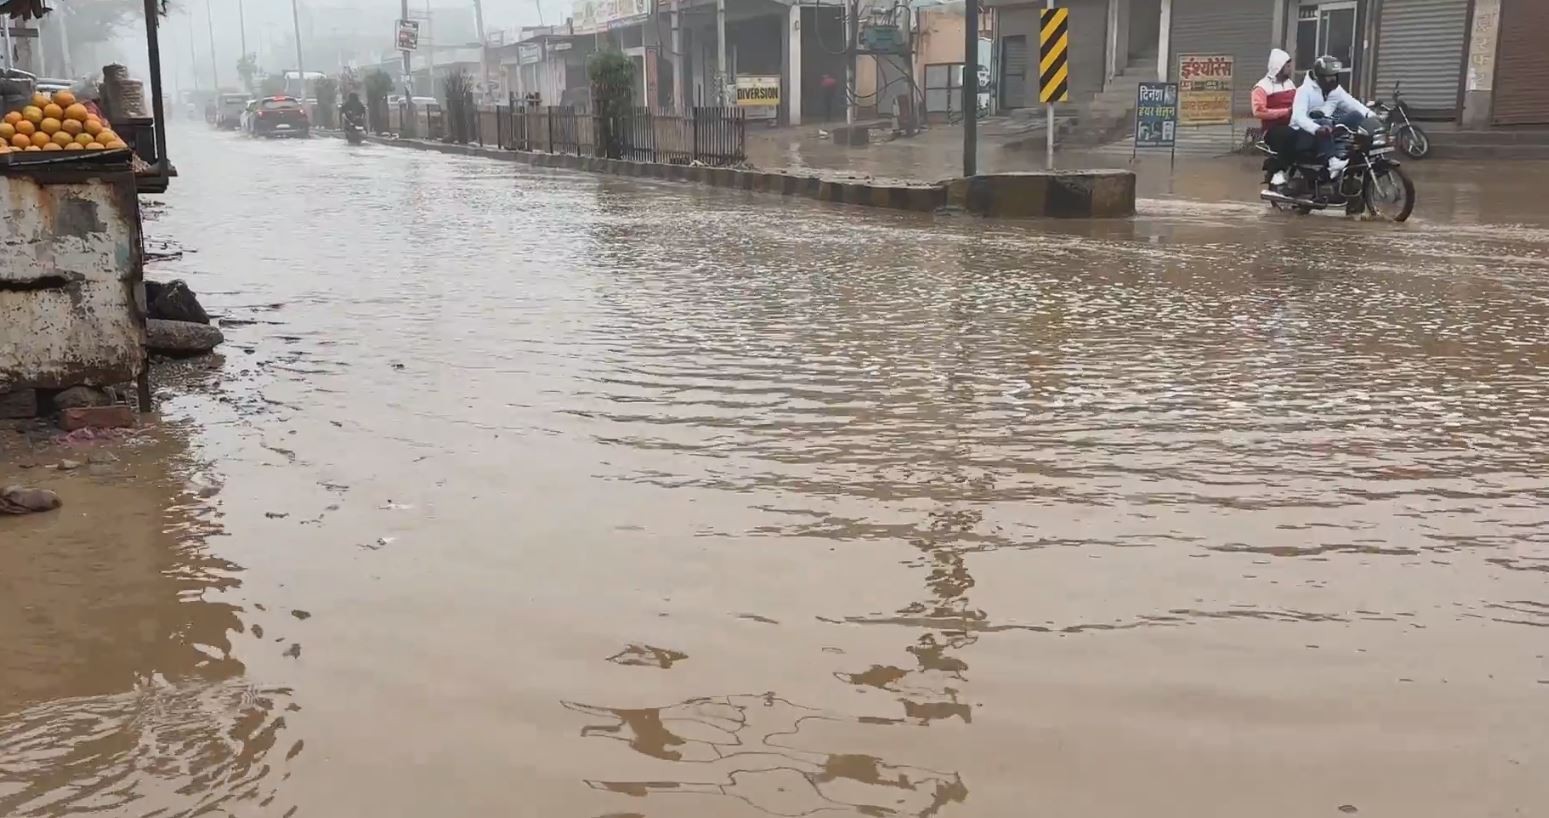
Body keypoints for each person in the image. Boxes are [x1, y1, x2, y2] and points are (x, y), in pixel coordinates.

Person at [1291, 55, 1373, 177]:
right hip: (1304, 132)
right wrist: (1316, 128)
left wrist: (1372, 116)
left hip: (1327, 128)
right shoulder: (1304, 91)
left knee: (1356, 115)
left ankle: (1364, 154)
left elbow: (1352, 104)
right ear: (1320, 77)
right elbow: (1298, 117)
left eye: (1334, 75)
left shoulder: (1335, 90)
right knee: (1324, 121)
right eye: (1329, 76)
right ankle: (1332, 162)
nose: (1333, 79)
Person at [1253, 49, 1297, 188]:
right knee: (1288, 135)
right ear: (1279, 66)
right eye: (1288, 66)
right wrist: (1284, 112)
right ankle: (1278, 170)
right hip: (1272, 130)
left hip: (1294, 124)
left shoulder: (1290, 84)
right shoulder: (1261, 87)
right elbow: (1259, 111)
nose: (1290, 69)